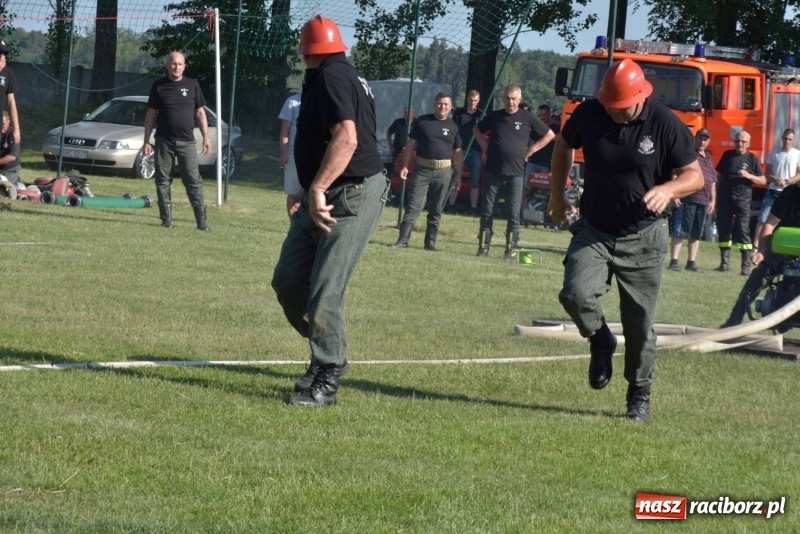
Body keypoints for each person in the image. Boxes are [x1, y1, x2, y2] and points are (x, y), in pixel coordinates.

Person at [548, 59, 703, 422]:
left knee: (639, 324)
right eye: (609, 106)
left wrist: (669, 188)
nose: (614, 113)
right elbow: (562, 146)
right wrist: (558, 194)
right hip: (595, 229)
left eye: (621, 108)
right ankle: (601, 340)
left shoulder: (664, 123)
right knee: (575, 294)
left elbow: (694, 176)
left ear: (639, 97)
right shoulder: (590, 112)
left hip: (644, 236)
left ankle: (639, 394)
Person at [271, 15, 389, 407]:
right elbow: (314, 139)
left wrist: (318, 187)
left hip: (349, 194)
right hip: (319, 192)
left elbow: (347, 137)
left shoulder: (334, 78)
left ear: (306, 51)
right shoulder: (336, 75)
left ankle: (328, 373)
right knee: (288, 282)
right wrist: (302, 189)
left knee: (325, 289)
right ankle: (328, 348)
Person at [473, 84, 554, 260]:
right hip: (493, 171)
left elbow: (549, 135)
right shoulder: (495, 116)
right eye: (507, 98)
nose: (510, 101)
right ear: (503, 98)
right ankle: (483, 247)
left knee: (513, 212)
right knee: (487, 210)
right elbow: (477, 130)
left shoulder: (527, 117)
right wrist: (485, 147)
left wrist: (531, 150)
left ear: (519, 99)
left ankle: (510, 250)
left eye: (514, 98)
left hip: (516, 173)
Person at [143, 51, 212, 231]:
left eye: (180, 64)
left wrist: (206, 138)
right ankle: (166, 220)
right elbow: (151, 114)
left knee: (192, 180)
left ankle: (202, 223)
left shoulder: (192, 85)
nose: (177, 67)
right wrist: (146, 141)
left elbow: (200, 112)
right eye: (173, 64)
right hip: (163, 141)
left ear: (184, 66)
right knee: (162, 180)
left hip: (187, 142)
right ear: (167, 65)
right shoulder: (158, 86)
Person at [721, 183, 800, 327]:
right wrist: (761, 251)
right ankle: (733, 321)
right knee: (758, 278)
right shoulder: (790, 192)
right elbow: (770, 224)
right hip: (783, 245)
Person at [392, 92, 463, 250]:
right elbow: (410, 144)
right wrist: (405, 165)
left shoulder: (454, 126)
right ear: (434, 104)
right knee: (413, 206)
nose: (442, 106)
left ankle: (430, 243)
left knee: (436, 209)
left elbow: (457, 153)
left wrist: (458, 175)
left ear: (450, 107)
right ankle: (402, 240)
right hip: (422, 169)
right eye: (439, 103)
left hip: (444, 171)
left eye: (445, 104)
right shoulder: (423, 121)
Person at [714, 131, 766, 274]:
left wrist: (748, 175)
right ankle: (724, 264)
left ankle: (745, 267)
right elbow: (719, 178)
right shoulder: (727, 155)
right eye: (738, 141)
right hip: (725, 199)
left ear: (748, 144)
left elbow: (763, 180)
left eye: (743, 142)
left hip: (743, 200)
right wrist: (716, 200)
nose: (740, 144)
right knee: (724, 230)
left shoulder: (751, 158)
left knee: (743, 231)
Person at [668, 128, 716, 272]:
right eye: (700, 138)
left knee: (696, 234)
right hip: (688, 199)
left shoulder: (709, 158)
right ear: (695, 139)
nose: (702, 141)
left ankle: (691, 262)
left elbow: (713, 182)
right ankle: (674, 261)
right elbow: (676, 174)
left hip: (703, 201)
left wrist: (713, 201)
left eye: (705, 139)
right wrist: (675, 194)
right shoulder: (689, 155)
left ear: (709, 141)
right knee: (680, 231)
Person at [754, 128, 800, 249]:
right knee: (763, 218)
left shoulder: (797, 154)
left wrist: (787, 181)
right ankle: (757, 246)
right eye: (785, 138)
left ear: (793, 140)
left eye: (790, 139)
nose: (787, 141)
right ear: (782, 138)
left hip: (789, 194)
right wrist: (775, 180)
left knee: (785, 221)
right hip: (773, 191)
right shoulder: (774, 152)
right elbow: (767, 172)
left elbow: (799, 174)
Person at [449, 90, 483, 214]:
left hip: (475, 150)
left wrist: (484, 150)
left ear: (478, 101)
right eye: (470, 100)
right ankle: (451, 205)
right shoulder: (459, 113)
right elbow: (453, 130)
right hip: (460, 149)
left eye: (475, 101)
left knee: (475, 180)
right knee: (455, 177)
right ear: (467, 100)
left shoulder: (481, 114)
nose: (472, 103)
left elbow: (484, 133)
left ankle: (473, 208)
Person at [278, 92, 302, 219]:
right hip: (294, 154)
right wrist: (284, 153)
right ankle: (293, 227)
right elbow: (285, 130)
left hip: (315, 156)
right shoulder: (292, 102)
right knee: (293, 193)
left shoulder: (322, 100)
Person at [0, 40, 21, 146]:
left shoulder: (8, 72)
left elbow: (11, 101)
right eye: (0, 53)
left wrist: (16, 129)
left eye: (4, 54)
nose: (3, 57)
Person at [0, 111, 20, 189]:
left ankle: (17, 185)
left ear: (8, 122)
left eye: (3, 124)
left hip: (10, 169)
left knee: (4, 187)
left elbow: (12, 157)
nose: (1, 126)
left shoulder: (13, 135)